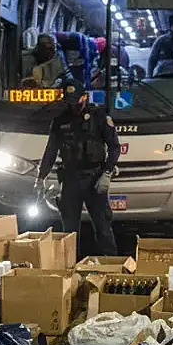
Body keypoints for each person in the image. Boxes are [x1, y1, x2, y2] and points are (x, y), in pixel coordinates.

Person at [36, 80, 121, 256]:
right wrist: (41, 177)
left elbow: (114, 147)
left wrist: (107, 172)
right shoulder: (60, 120)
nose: (73, 106)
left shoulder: (99, 117)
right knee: (69, 233)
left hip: (94, 179)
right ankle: (70, 267)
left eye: (76, 101)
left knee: (103, 228)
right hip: (70, 180)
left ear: (85, 97)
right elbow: (51, 151)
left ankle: (112, 264)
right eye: (70, 101)